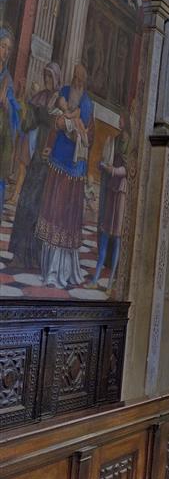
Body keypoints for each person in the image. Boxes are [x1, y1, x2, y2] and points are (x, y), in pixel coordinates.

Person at [35, 64, 92, 288]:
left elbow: (82, 132)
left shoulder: (86, 103)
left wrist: (69, 124)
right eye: (75, 77)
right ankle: (48, 269)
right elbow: (56, 120)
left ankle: (62, 270)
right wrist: (64, 125)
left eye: (81, 79)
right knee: (52, 212)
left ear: (84, 82)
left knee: (65, 217)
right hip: (58, 161)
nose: (77, 81)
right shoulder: (65, 92)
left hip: (74, 168)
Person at [8, 63, 60, 269]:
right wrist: (28, 111)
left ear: (56, 78)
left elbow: (64, 132)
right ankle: (19, 255)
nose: (47, 80)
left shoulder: (60, 102)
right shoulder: (39, 99)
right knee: (26, 206)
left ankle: (35, 259)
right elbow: (27, 124)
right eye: (45, 76)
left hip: (50, 164)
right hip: (36, 160)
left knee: (41, 212)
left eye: (50, 77)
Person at [94, 130, 129, 287]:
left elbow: (128, 168)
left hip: (121, 190)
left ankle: (110, 282)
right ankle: (95, 278)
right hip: (111, 187)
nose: (120, 123)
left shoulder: (130, 145)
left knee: (116, 236)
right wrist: (104, 166)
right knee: (105, 232)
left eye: (123, 119)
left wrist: (113, 170)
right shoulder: (115, 140)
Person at [0, 29, 19, 212]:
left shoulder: (8, 80)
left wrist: (7, 106)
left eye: (8, 49)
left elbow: (15, 113)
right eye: (3, 46)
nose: (5, 51)